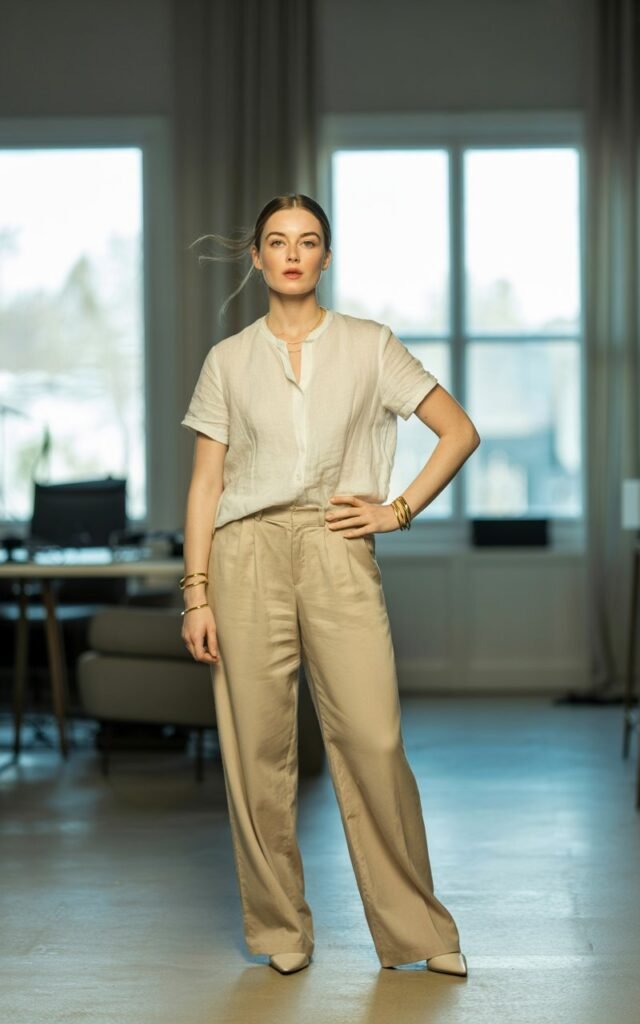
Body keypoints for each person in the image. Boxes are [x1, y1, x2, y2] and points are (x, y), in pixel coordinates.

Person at [180, 193, 480, 976]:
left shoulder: (370, 345)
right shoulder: (228, 359)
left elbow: (459, 431)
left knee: (374, 741)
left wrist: (399, 509)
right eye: (277, 241)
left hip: (337, 546)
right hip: (244, 553)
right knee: (257, 754)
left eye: (307, 241)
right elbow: (207, 485)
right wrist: (197, 591)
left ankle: (419, 931)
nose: (291, 254)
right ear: (255, 257)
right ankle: (281, 930)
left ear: (326, 257)